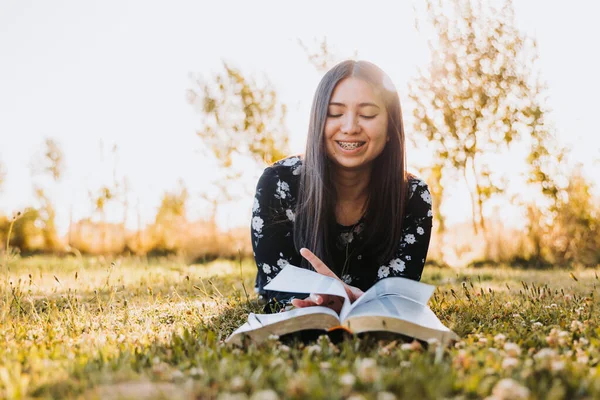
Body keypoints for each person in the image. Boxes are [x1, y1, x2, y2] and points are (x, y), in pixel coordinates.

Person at [250, 60, 433, 314]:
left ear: (391, 127)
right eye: (335, 113)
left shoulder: (413, 197)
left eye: (367, 114)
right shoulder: (278, 183)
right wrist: (316, 299)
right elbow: (275, 281)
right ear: (317, 122)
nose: (349, 128)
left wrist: (360, 301)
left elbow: (400, 291)